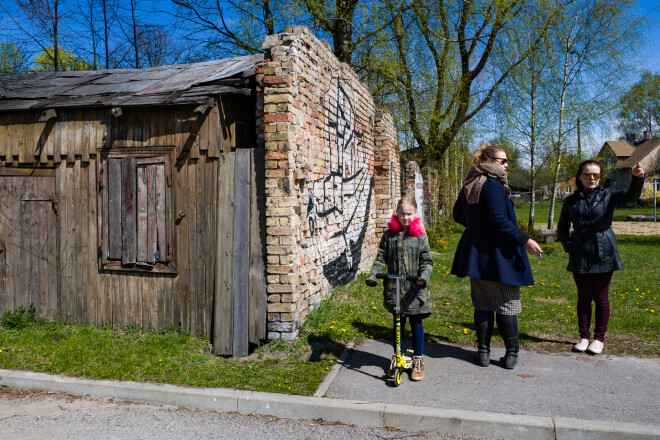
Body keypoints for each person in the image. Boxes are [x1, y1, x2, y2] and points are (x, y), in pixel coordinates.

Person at [451, 143, 543, 369]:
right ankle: (511, 354)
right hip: (498, 256)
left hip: (476, 255)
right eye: (503, 161)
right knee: (507, 305)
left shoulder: (471, 184)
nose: (507, 165)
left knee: (482, 303)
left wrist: (478, 229)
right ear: (490, 163)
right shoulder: (492, 185)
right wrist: (526, 239)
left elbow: (458, 215)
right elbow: (499, 221)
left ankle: (483, 353)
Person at [557, 160, 644, 355]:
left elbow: (631, 196)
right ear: (580, 176)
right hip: (579, 251)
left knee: (601, 297)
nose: (592, 179)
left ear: (600, 177)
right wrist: (568, 245)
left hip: (604, 249)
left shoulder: (608, 195)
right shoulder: (571, 200)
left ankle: (599, 338)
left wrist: (637, 179)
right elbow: (562, 226)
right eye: (587, 175)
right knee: (584, 297)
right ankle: (584, 336)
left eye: (596, 175)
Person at [366, 196, 433, 381]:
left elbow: (427, 261)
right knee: (398, 324)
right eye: (402, 213)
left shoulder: (420, 235)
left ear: (415, 213)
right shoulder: (389, 236)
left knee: (416, 323)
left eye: (409, 214)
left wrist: (423, 277)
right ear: (396, 213)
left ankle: (418, 360)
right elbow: (381, 259)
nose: (405, 217)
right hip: (395, 291)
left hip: (415, 291)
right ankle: (399, 357)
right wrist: (373, 275)